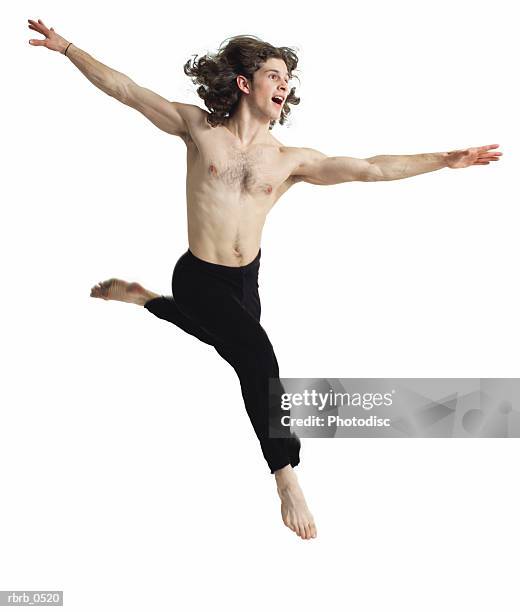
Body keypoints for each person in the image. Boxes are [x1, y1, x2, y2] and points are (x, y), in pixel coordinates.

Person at [28, 18, 501, 540]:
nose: (285, 85)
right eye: (275, 75)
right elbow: (128, 91)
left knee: (227, 342)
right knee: (257, 359)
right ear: (245, 83)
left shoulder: (288, 159)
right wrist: (67, 47)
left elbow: (370, 168)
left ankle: (146, 301)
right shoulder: (199, 130)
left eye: (287, 79)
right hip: (199, 276)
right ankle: (286, 474)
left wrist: (442, 160)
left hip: (245, 283)